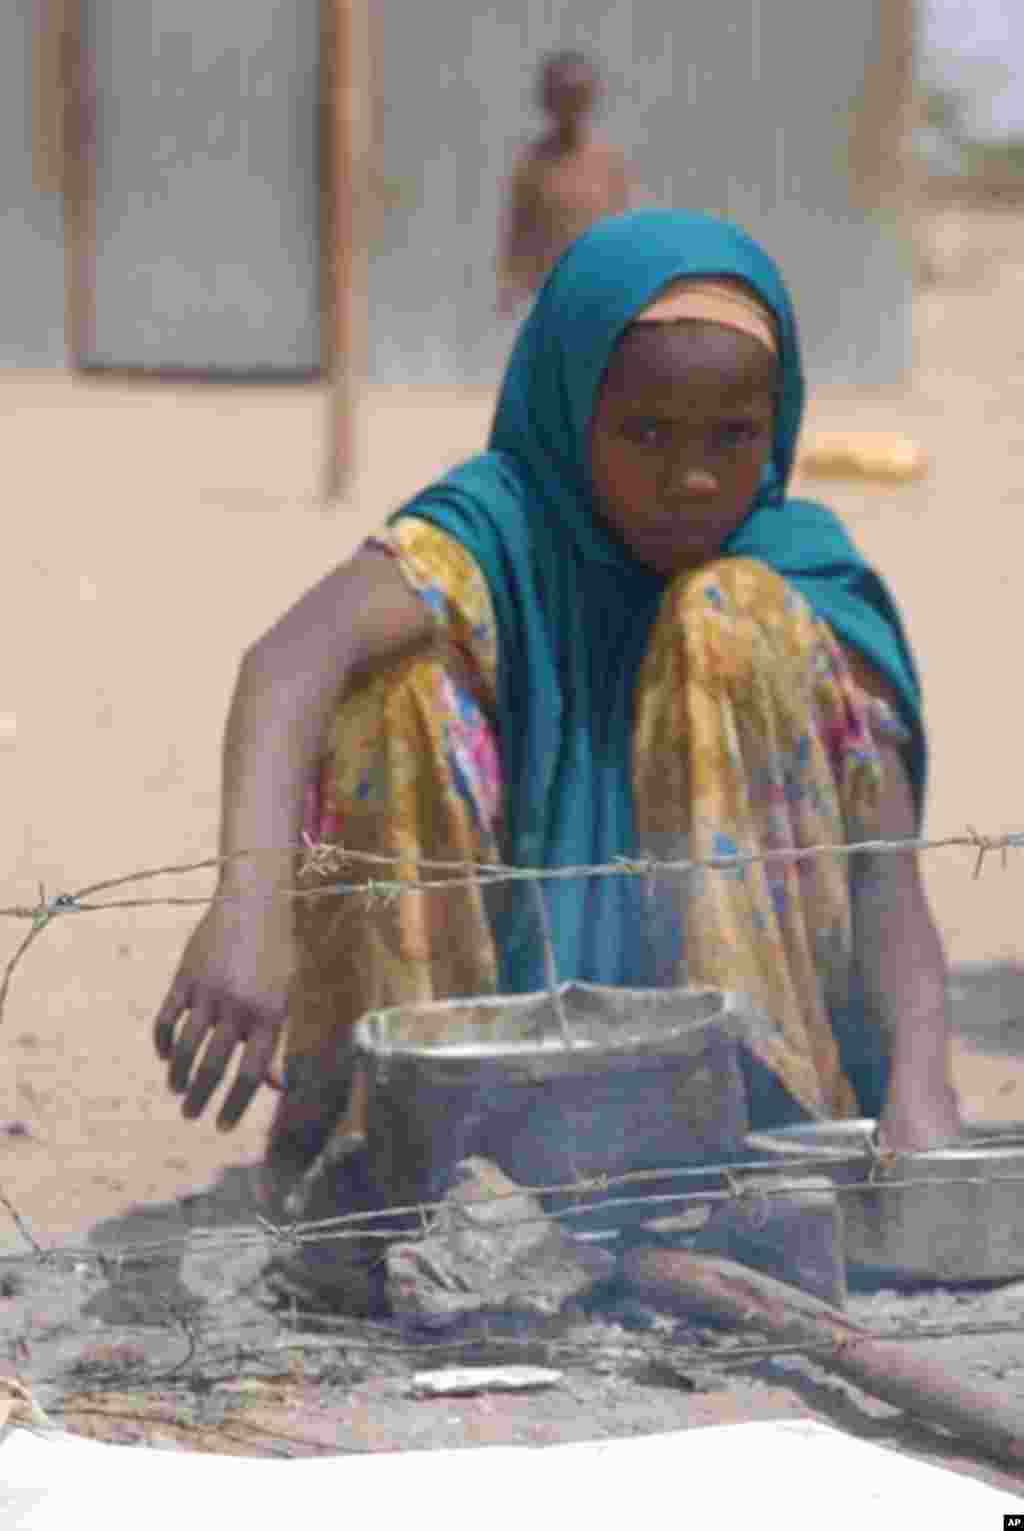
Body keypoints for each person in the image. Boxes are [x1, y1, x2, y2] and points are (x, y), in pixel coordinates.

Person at [154, 209, 961, 1228]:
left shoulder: (800, 573)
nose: (694, 478)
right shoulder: (506, 524)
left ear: (780, 422)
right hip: (516, 1087)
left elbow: (890, 873)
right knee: (389, 687)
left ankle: (739, 1154)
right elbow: (288, 660)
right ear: (570, 407)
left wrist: (923, 1080)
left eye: (734, 437)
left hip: (767, 1127)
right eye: (646, 433)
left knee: (724, 616)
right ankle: (412, 1149)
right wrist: (249, 909)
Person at [496, 50, 633, 316]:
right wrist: (509, 282)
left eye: (578, 96)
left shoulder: (608, 161)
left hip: (598, 289)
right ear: (547, 100)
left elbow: (621, 229)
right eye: (562, 96)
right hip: (548, 292)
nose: (570, 106)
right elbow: (518, 225)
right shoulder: (533, 162)